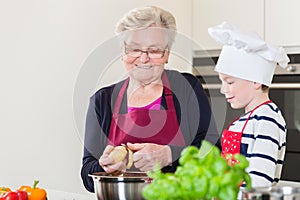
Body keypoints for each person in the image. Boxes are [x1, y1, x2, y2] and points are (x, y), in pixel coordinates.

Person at [81, 6, 221, 192]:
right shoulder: (102, 101)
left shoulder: (187, 88)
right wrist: (106, 168)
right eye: (134, 49)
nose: (143, 58)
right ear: (123, 52)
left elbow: (214, 149)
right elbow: (87, 175)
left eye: (154, 50)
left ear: (167, 53)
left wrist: (169, 155)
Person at [208, 22, 290, 187]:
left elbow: (260, 180)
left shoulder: (267, 119)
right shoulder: (248, 119)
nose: (223, 90)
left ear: (255, 81)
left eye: (230, 82)